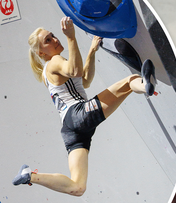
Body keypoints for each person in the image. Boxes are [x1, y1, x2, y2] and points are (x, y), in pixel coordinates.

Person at [12, 17, 157, 196]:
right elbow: (75, 71)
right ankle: (145, 85)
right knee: (129, 82)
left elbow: (85, 81)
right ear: (41, 53)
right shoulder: (55, 61)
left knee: (78, 187)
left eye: (53, 36)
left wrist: (92, 51)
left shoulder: (48, 72)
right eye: (48, 41)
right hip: (78, 114)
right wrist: (71, 37)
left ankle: (30, 176)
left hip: (70, 129)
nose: (55, 40)